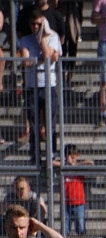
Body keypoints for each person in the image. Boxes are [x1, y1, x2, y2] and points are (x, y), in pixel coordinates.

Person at [18, 12, 62, 165]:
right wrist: (45, 58)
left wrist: (43, 39)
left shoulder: (53, 37)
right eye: (33, 24)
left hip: (49, 85)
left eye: (38, 24)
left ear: (44, 24)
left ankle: (51, 155)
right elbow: (26, 61)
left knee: (50, 123)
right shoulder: (25, 40)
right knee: (34, 124)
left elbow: (49, 55)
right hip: (32, 86)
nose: (35, 27)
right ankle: (35, 157)